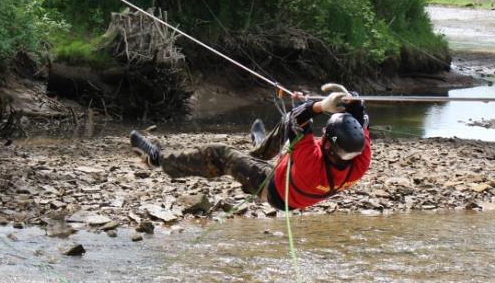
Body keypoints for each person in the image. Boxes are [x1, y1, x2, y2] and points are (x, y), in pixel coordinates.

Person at [129, 86, 371, 211]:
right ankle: (259, 149)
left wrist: (317, 105)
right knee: (290, 135)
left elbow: (296, 118)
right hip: (301, 184)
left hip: (276, 191)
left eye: (325, 134)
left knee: (221, 155)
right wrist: (353, 102)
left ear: (328, 144)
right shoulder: (360, 159)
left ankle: (158, 160)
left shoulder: (311, 162)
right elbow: (361, 116)